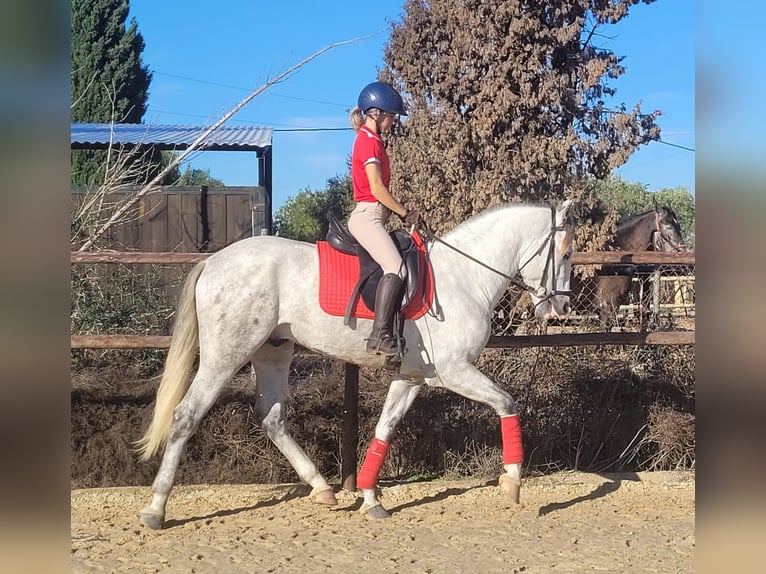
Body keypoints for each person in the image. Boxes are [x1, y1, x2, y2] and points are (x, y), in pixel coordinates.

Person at [348, 81, 423, 356]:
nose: (394, 122)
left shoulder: (374, 141)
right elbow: (377, 188)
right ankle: (379, 336)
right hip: (368, 216)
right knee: (396, 267)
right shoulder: (367, 142)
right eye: (392, 116)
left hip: (376, 217)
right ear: (376, 113)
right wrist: (405, 212)